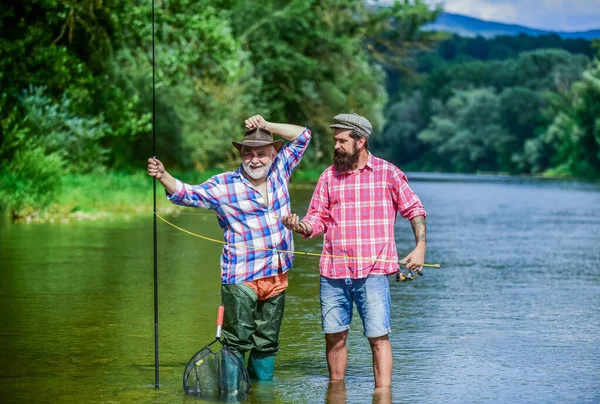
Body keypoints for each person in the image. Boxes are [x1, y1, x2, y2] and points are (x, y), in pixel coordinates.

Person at [147, 115, 311, 381]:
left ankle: (261, 395)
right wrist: (164, 175)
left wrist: (266, 126)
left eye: (261, 153)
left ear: (274, 153)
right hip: (241, 277)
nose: (255, 159)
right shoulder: (223, 184)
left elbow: (303, 135)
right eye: (248, 154)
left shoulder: (281, 169)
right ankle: (234, 395)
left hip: (277, 275)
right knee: (236, 343)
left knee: (267, 343)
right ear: (241, 155)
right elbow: (187, 194)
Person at [282, 113, 427, 387]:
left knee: (378, 337)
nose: (335, 146)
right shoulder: (328, 176)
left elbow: (415, 210)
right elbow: (317, 218)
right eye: (335, 140)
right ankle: (336, 392)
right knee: (334, 336)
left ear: (360, 141)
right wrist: (300, 225)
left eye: (341, 140)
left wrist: (420, 246)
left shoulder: (389, 174)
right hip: (333, 273)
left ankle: (382, 395)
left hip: (373, 274)